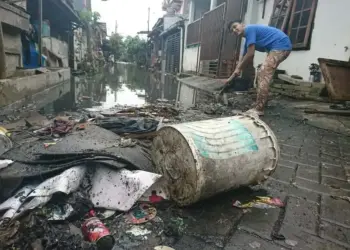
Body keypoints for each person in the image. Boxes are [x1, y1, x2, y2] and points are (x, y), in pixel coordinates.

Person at [225, 20, 292, 116]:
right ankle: (261, 102)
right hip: (277, 47)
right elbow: (244, 58)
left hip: (281, 45)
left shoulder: (249, 30)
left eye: (235, 26)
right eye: (233, 30)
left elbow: (250, 54)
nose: (235, 30)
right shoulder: (248, 39)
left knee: (263, 74)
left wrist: (239, 68)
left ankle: (259, 109)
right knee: (263, 73)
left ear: (243, 25)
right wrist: (231, 77)